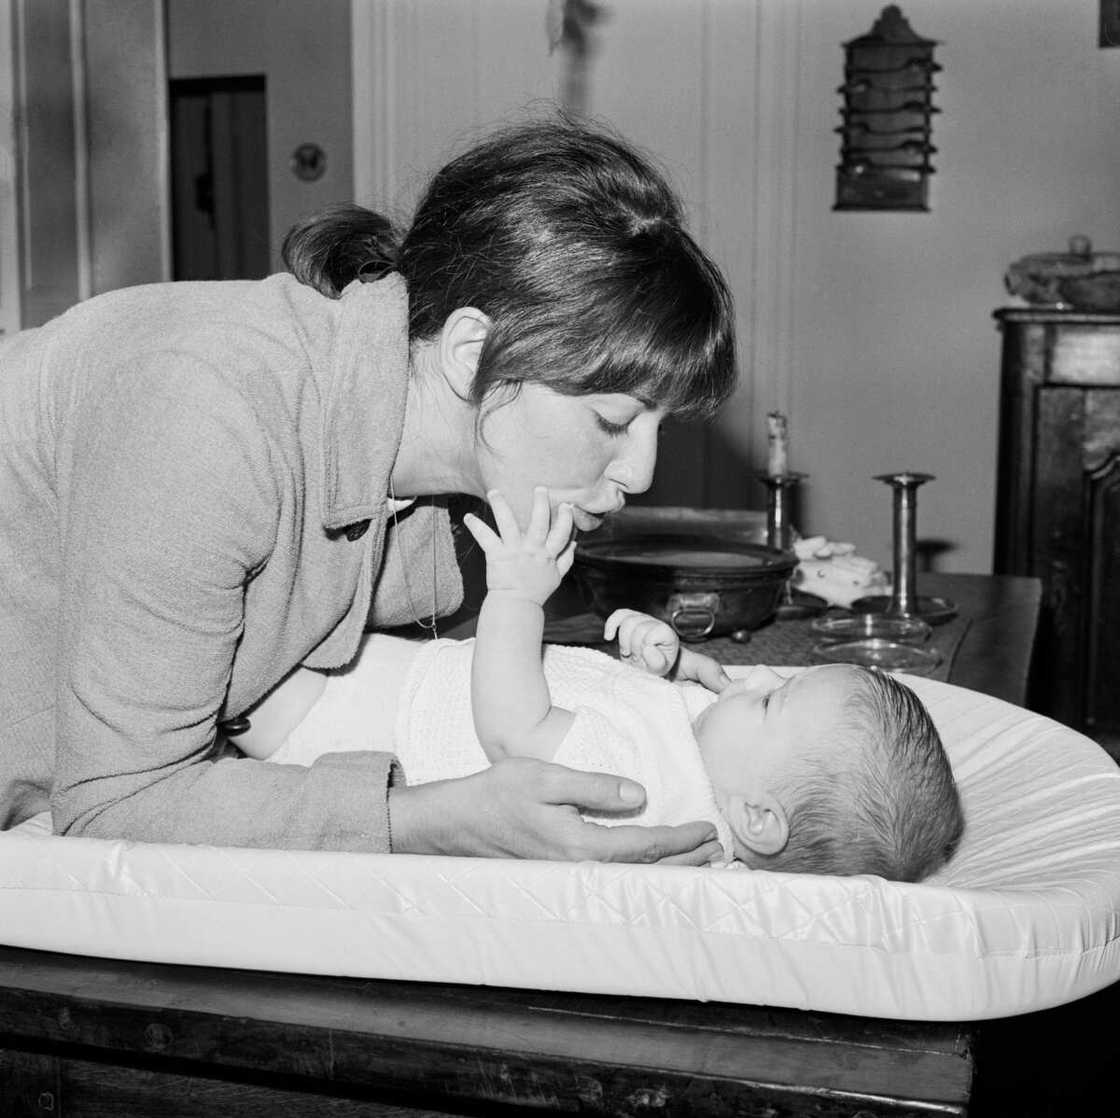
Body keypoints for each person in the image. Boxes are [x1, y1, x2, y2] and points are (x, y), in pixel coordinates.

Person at [0, 114, 736, 864]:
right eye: (613, 420)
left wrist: (636, 706)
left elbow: (390, 684)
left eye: (658, 428)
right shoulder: (203, 413)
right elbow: (115, 805)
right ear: (471, 352)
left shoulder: (440, 478)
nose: (639, 473)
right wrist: (429, 820)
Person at [244, 489, 965, 881]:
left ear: (759, 818)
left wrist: (518, 601)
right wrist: (664, 665)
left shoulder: (644, 785)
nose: (767, 673)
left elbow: (514, 732)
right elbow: (601, 708)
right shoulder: (699, 764)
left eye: (775, 699)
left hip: (355, 720)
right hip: (389, 683)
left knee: (236, 658)